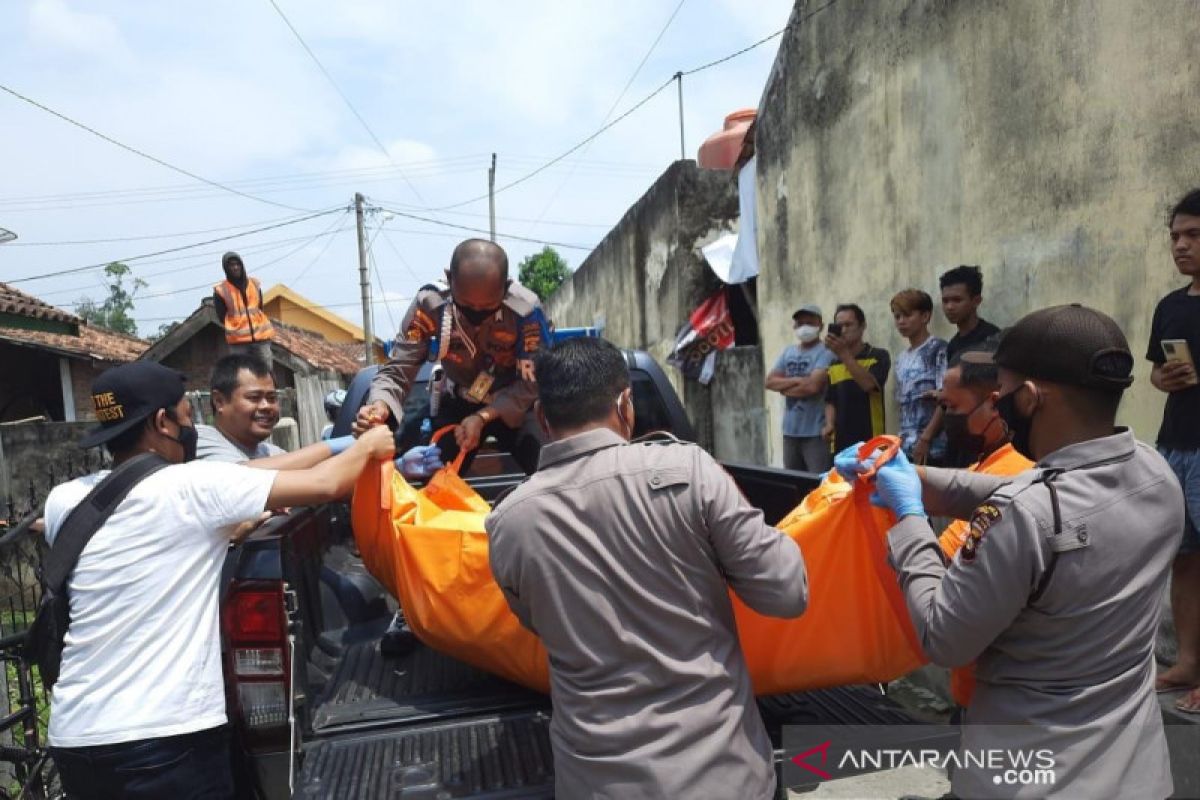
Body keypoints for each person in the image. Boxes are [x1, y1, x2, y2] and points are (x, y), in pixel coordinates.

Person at [843, 304, 1181, 798]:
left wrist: (909, 519)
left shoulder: (1022, 516)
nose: (995, 403)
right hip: (1135, 772)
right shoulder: (1155, 473)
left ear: (1030, 398)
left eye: (1001, 393)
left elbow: (944, 637)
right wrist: (913, 480)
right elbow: (1039, 492)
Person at [42, 360, 395, 799]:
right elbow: (326, 486)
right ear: (161, 423)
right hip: (164, 740)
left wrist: (340, 444)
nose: (191, 430)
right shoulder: (192, 488)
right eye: (186, 418)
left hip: (75, 738)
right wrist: (372, 444)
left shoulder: (67, 499)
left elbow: (263, 472)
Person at [486, 338, 807, 800]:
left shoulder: (508, 522)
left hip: (597, 784)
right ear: (625, 403)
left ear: (542, 419)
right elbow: (786, 592)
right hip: (724, 776)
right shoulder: (689, 471)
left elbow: (539, 624)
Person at [353, 239, 550, 473]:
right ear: (449, 278)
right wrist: (380, 404)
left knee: (550, 468)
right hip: (460, 401)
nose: (476, 314)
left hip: (516, 404)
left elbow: (533, 383)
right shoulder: (430, 305)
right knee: (435, 472)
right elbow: (399, 369)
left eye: (488, 307)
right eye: (466, 304)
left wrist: (483, 417)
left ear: (506, 288)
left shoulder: (526, 311)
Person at [931, 340, 1034, 708]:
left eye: (951, 407)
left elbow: (944, 564)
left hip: (993, 699)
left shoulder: (1013, 474)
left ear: (993, 403)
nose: (946, 419)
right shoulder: (987, 464)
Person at [197, 353, 441, 477]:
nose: (266, 407)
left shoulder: (272, 454)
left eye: (271, 398)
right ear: (219, 401)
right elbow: (240, 476)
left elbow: (322, 480)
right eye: (254, 398)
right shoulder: (202, 441)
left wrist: (396, 469)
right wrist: (349, 445)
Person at [1148, 188, 1200, 712]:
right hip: (1174, 447)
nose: (1181, 246)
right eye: (1175, 237)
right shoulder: (1169, 306)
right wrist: (1166, 377)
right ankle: (1187, 660)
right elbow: (1155, 376)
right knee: (1182, 558)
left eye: (1193, 236)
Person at [933, 265, 1002, 467]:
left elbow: (991, 388)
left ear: (976, 301)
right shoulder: (953, 344)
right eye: (945, 301)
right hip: (957, 434)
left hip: (981, 432)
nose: (950, 307)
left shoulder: (990, 339)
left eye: (957, 300)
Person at [765, 303, 835, 471]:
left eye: (810, 323)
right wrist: (797, 380)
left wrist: (784, 388)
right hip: (790, 432)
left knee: (817, 484)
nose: (804, 327)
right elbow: (769, 382)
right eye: (800, 323)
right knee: (794, 482)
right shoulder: (788, 352)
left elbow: (813, 387)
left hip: (816, 433)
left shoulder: (826, 352)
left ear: (821, 326)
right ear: (795, 326)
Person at [823, 303, 891, 453]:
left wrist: (844, 354)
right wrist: (829, 423)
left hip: (871, 441)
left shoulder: (878, 355)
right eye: (839, 325)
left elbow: (869, 385)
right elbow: (830, 399)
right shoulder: (834, 363)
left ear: (862, 326)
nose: (844, 330)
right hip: (840, 444)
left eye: (848, 324)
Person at [891, 288, 948, 464]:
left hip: (934, 448)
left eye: (907, 315)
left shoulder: (938, 349)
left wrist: (926, 439)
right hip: (906, 446)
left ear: (925, 316)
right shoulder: (901, 358)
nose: (901, 321)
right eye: (897, 316)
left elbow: (945, 398)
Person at [212, 251, 274, 369]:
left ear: (242, 265)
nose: (235, 268)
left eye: (237, 264)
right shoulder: (221, 290)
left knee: (266, 371)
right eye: (231, 265)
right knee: (241, 373)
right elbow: (221, 316)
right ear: (226, 268)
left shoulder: (254, 284)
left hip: (261, 338)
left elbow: (260, 307)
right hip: (238, 342)